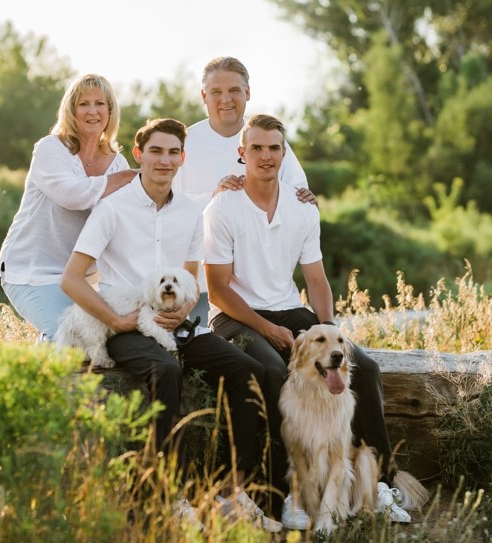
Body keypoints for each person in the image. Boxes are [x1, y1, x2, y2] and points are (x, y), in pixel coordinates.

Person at [60, 118, 283, 532]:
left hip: (174, 323)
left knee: (249, 370)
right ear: (140, 155)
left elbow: (190, 278)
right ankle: (164, 497)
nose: (165, 160)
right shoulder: (113, 209)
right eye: (156, 152)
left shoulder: (190, 213)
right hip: (122, 323)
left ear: (183, 158)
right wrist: (115, 320)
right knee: (166, 369)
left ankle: (231, 493)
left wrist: (183, 311)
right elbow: (71, 278)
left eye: (173, 152)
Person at [203, 114, 412, 528]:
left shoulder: (301, 209)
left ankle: (381, 484)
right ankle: (289, 497)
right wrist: (266, 329)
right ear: (242, 154)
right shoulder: (222, 207)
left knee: (364, 367)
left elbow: (315, 279)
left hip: (287, 308)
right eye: (257, 148)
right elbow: (218, 291)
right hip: (233, 316)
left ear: (284, 153)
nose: (266, 156)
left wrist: (330, 338)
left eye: (274, 148)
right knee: (270, 368)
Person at [173, 56, 317, 327]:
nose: (225, 99)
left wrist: (305, 198)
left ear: (248, 93)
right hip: (195, 286)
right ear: (204, 96)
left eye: (234, 90)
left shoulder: (263, 137)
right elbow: (164, 205)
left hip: (259, 291)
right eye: (216, 92)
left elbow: (296, 194)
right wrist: (213, 197)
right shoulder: (185, 144)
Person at [0, 74, 135, 341]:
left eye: (100, 104)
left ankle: (33, 376)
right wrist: (126, 178)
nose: (92, 111)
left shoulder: (118, 162)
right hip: (31, 269)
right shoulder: (51, 149)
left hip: (79, 278)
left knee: (92, 338)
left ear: (110, 110)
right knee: (68, 336)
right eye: (84, 104)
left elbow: (125, 219)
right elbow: (72, 196)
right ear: (71, 110)